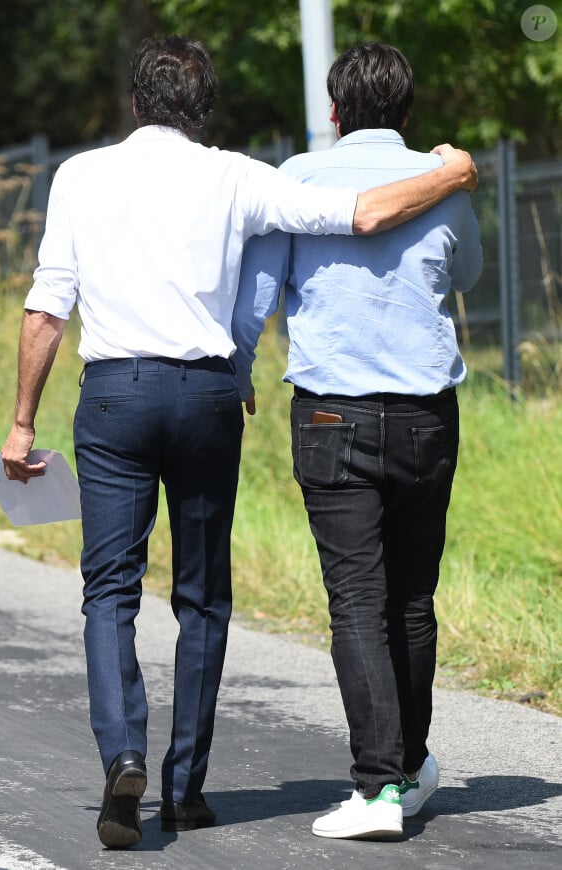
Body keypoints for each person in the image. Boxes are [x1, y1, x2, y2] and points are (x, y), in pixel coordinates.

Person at [1, 36, 477, 850]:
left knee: (109, 589)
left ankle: (124, 754)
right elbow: (375, 222)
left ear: (136, 104)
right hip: (217, 399)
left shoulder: (80, 175)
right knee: (206, 594)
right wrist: (453, 172)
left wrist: (20, 420)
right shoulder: (241, 177)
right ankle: (188, 789)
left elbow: (50, 308)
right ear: (205, 108)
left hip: (116, 399)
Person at [233, 42, 483, 840]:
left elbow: (262, 289)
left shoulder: (299, 177)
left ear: (335, 112)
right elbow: (467, 273)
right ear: (407, 115)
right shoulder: (441, 179)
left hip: (332, 414)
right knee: (412, 599)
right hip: (425, 416)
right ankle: (406, 771)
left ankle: (375, 789)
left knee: (357, 602)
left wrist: (237, 367)